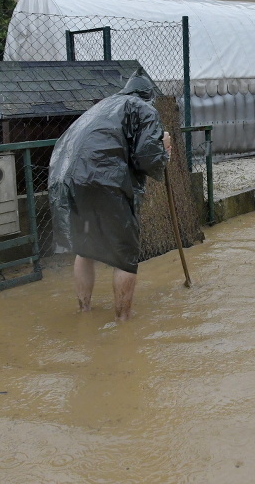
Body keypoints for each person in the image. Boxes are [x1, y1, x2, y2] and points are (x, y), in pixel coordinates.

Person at [49, 69, 171, 321]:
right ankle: (123, 321)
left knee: (85, 250)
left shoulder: (102, 106)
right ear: (149, 95)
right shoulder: (144, 108)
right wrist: (164, 150)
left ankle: (84, 311)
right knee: (124, 255)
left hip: (68, 179)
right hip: (105, 183)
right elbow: (147, 158)